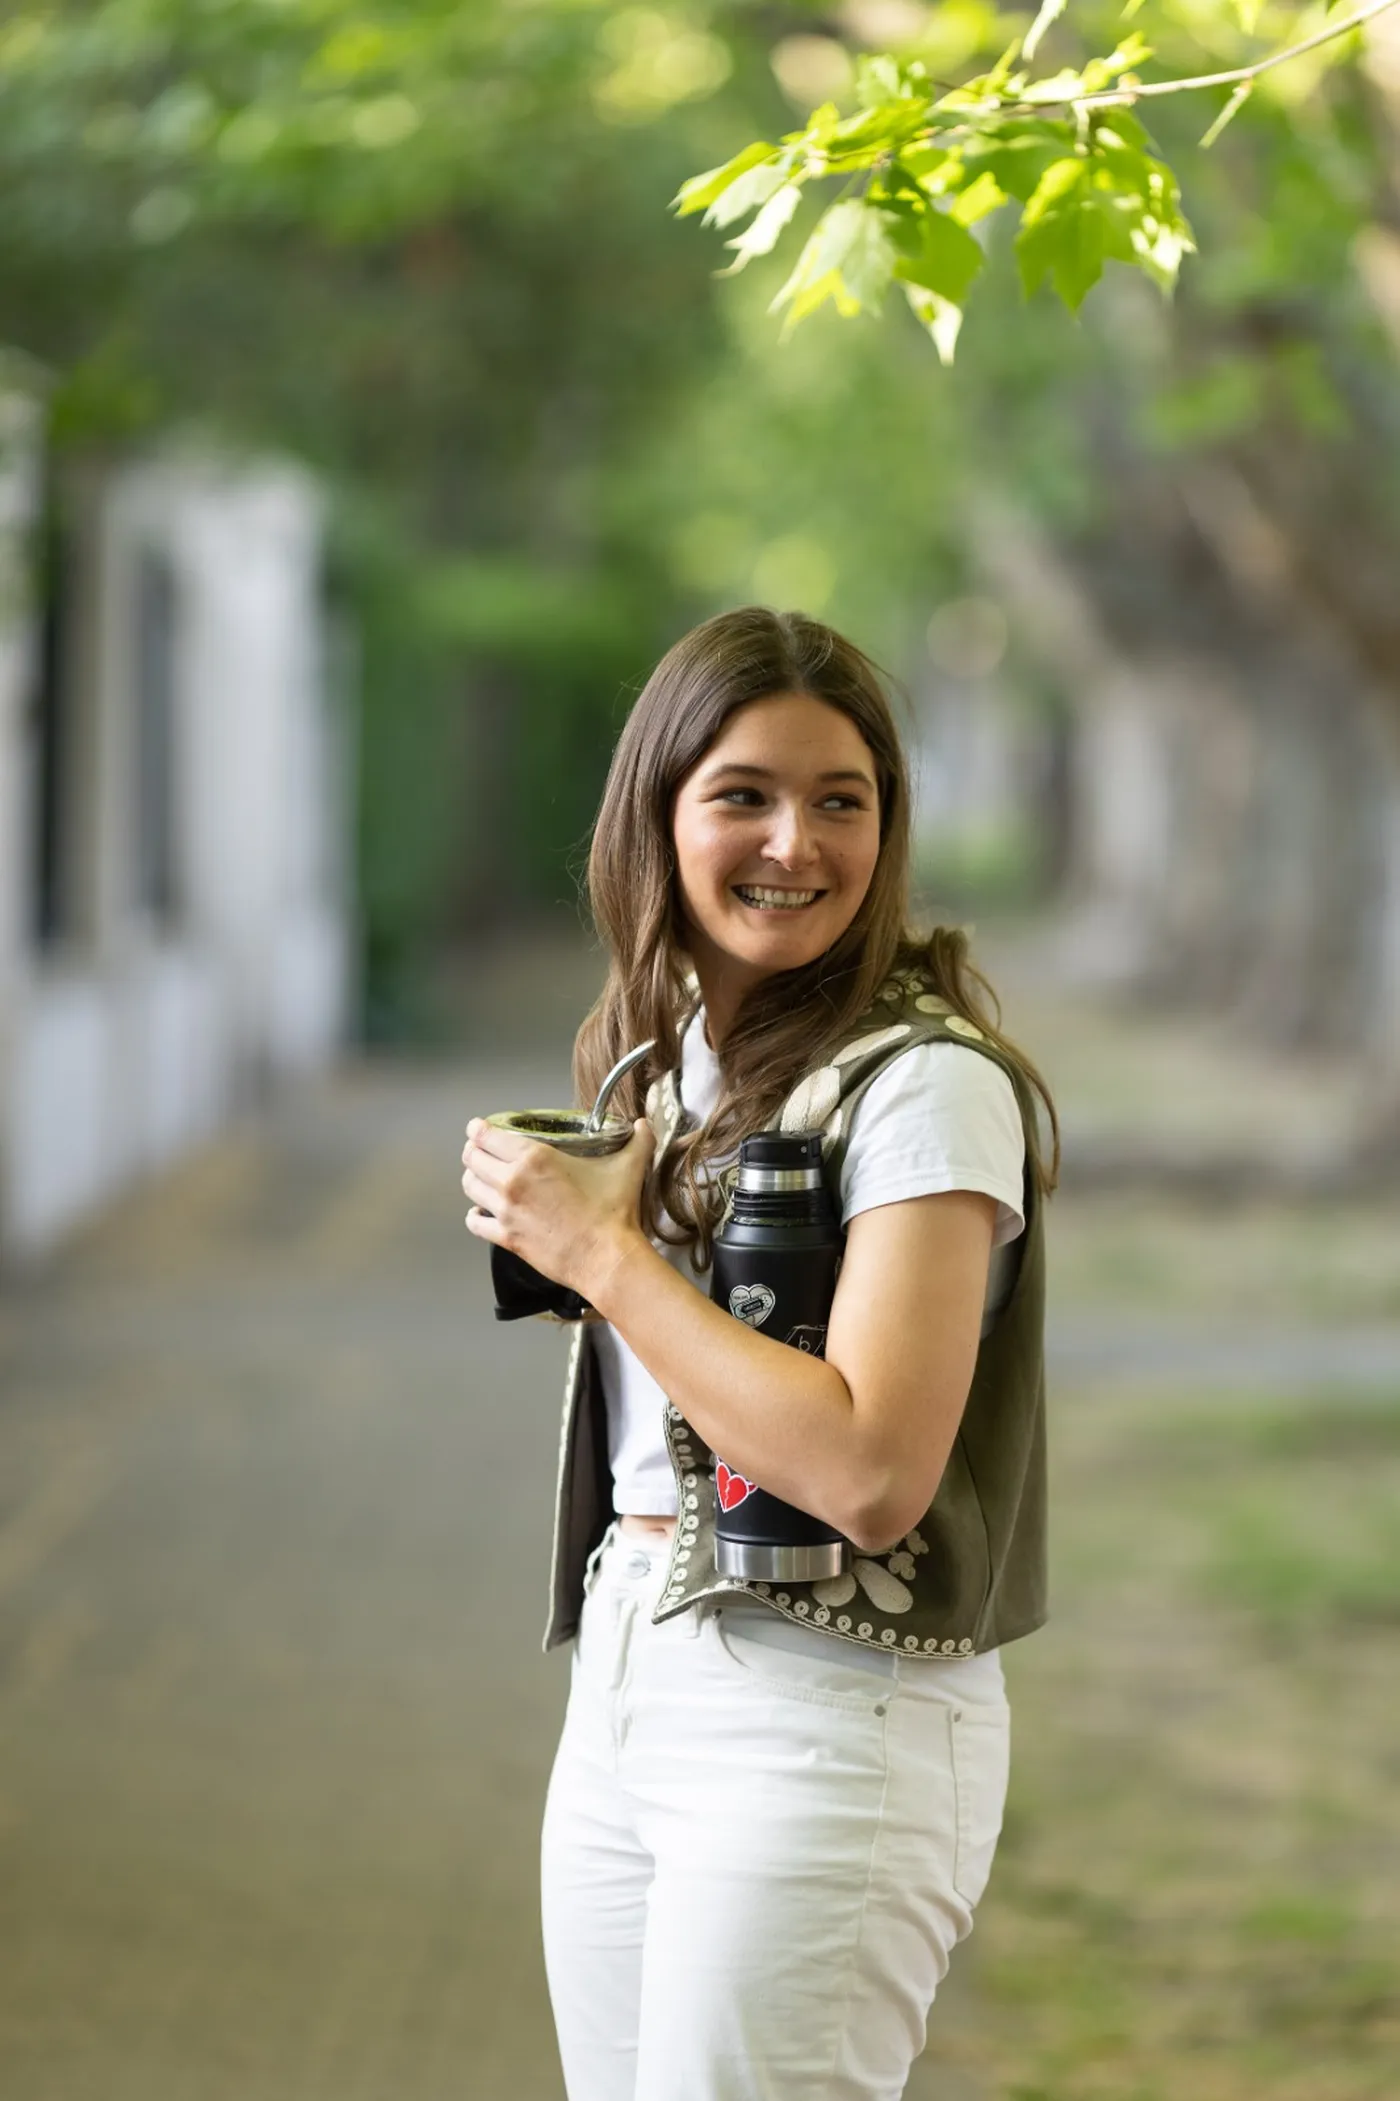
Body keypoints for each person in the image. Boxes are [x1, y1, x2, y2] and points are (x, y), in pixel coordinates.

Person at [460, 606, 1058, 2101]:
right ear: (654, 818)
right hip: (632, 1670)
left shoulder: (928, 1090)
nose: (796, 842)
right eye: (743, 795)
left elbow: (868, 1470)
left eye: (840, 801)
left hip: (821, 1716)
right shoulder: (667, 1064)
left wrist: (603, 1256)